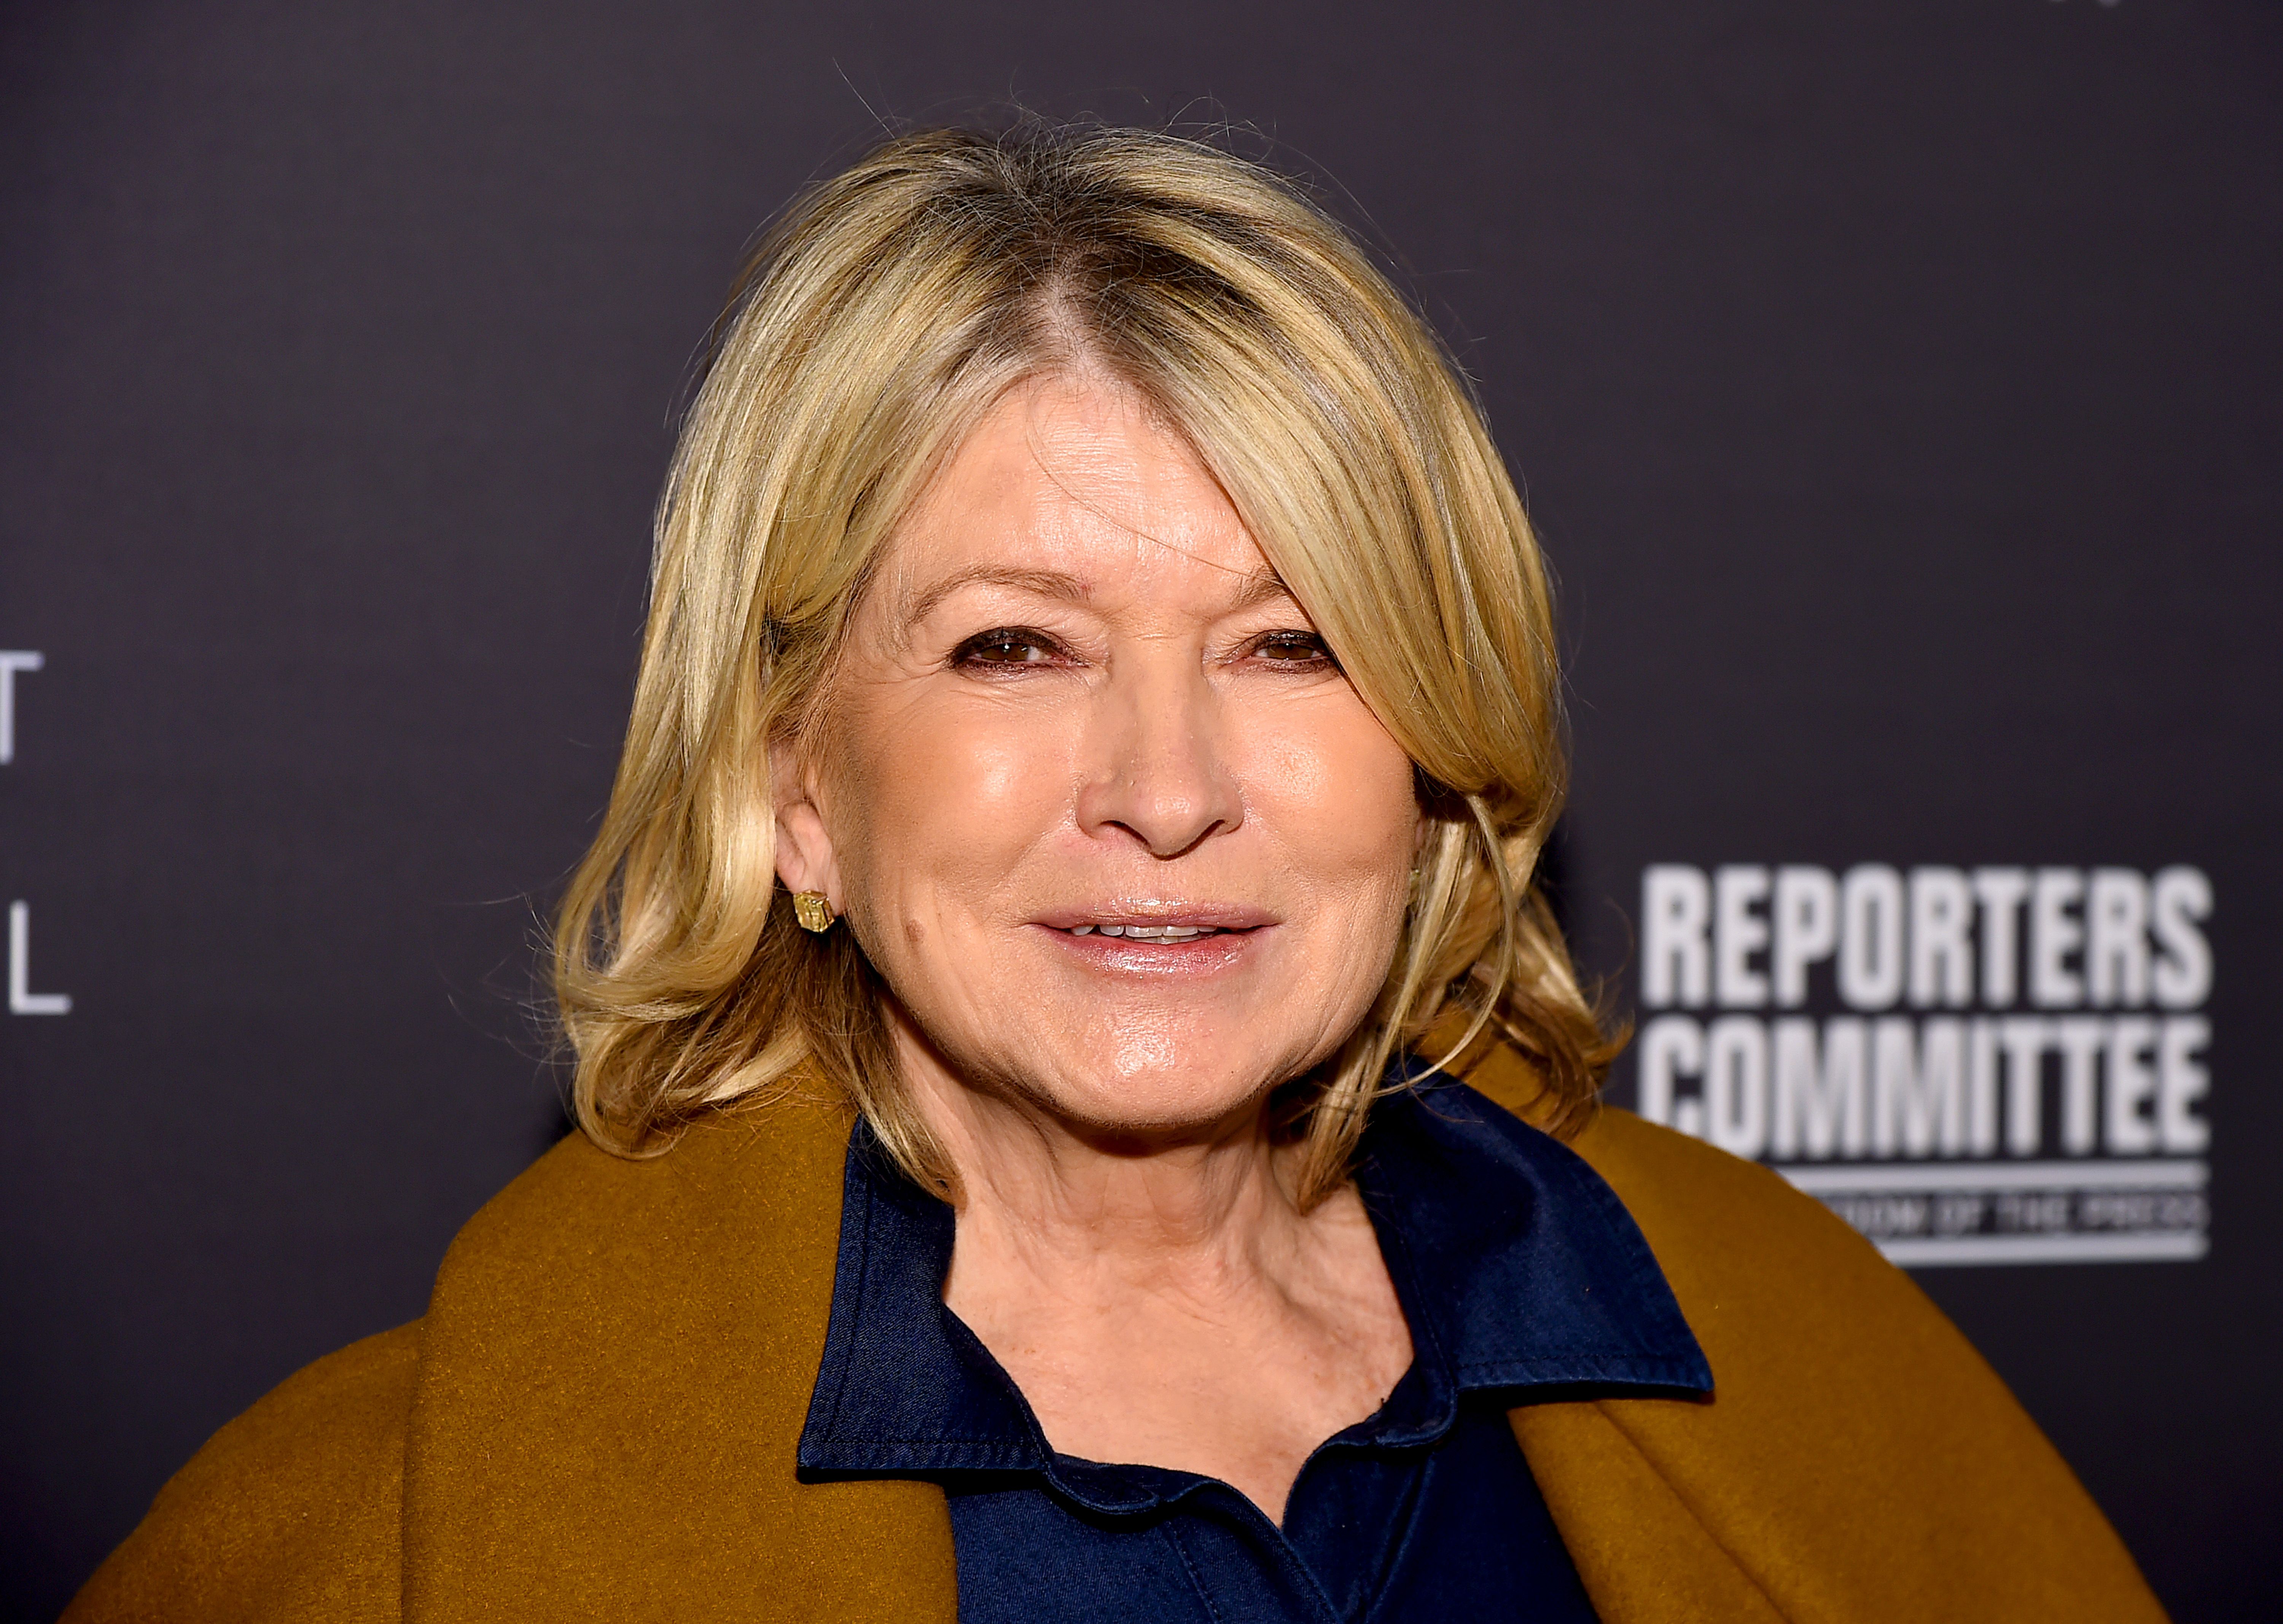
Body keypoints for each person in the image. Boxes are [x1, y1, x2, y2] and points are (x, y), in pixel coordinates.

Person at [67, 123, 2166, 1624]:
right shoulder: (379, 1535)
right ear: (797, 784)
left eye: (1294, 644)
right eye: (1014, 645)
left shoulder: (1809, 1362)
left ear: (1431, 760)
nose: (1167, 790)